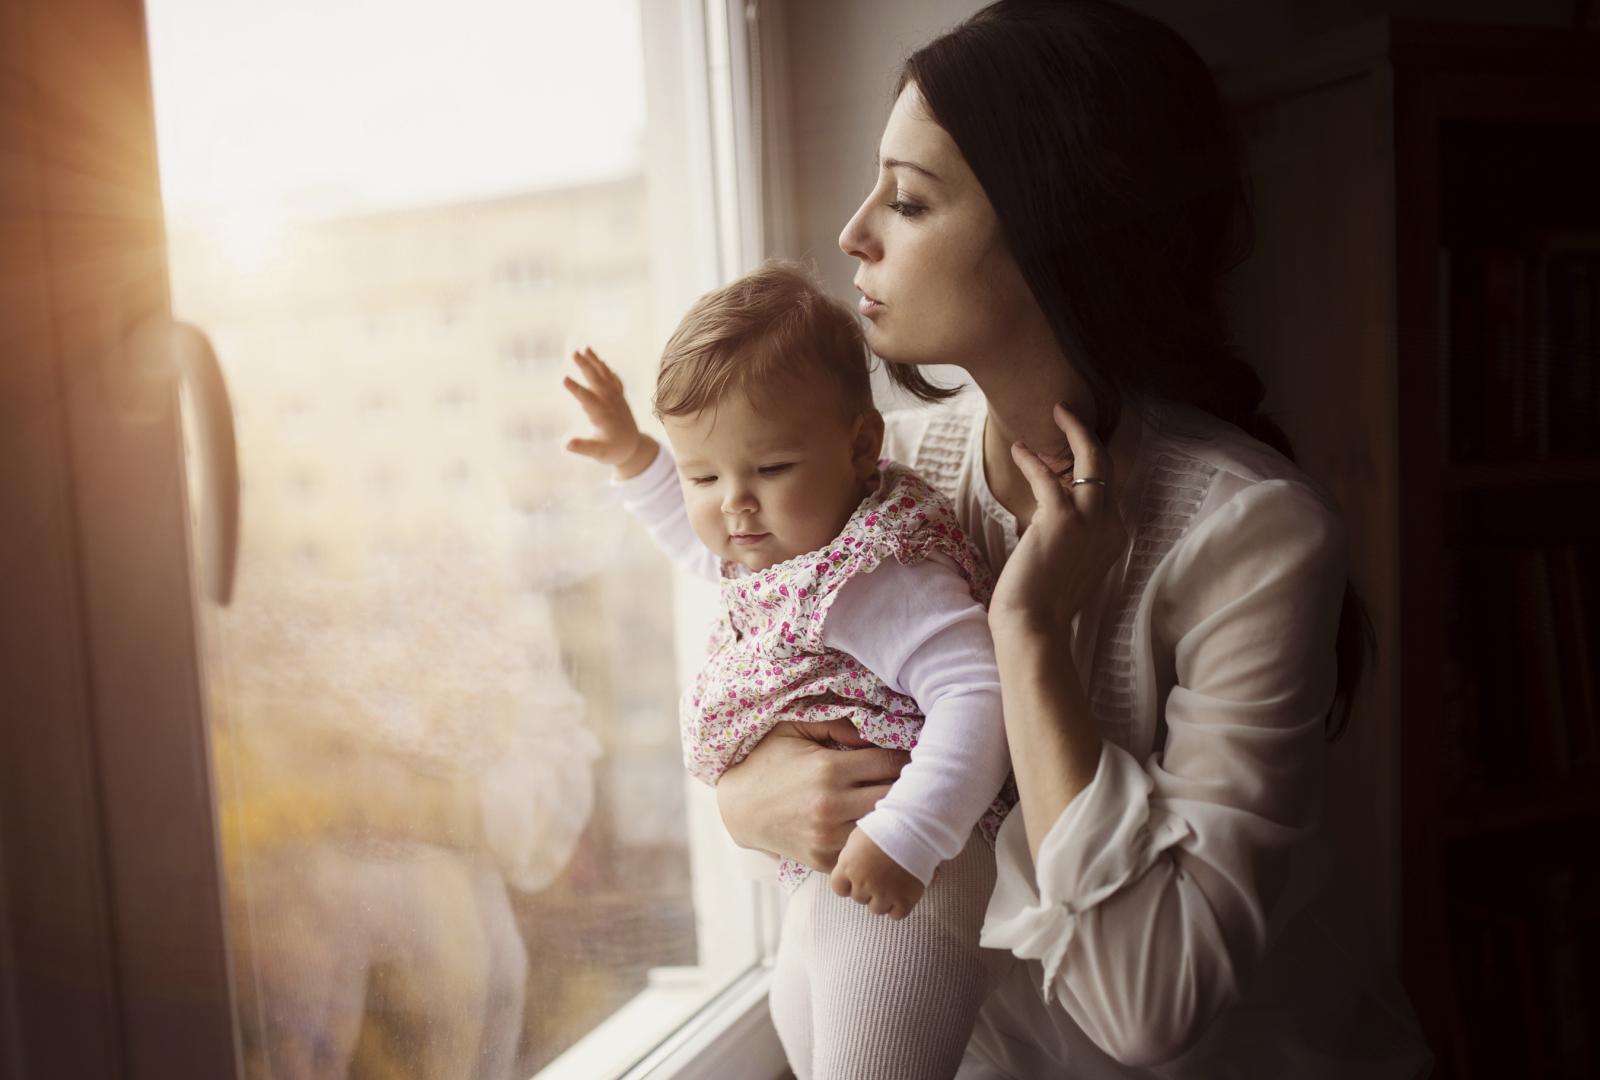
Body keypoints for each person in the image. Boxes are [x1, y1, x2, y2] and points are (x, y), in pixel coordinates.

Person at [713, 2, 1434, 1076]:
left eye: (909, 200)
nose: (853, 232)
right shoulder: (887, 479)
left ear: (1055, 230)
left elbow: (1144, 1008)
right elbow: (760, 663)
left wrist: (1030, 635)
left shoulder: (1252, 536)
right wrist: (745, 797)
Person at [561, 260, 1019, 1077]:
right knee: (804, 1042)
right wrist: (637, 457)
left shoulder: (877, 571)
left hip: (919, 875)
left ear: (860, 445)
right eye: (705, 474)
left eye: (769, 470)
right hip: (839, 875)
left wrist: (909, 836)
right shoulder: (788, 542)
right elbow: (697, 540)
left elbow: (980, 695)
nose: (735, 503)